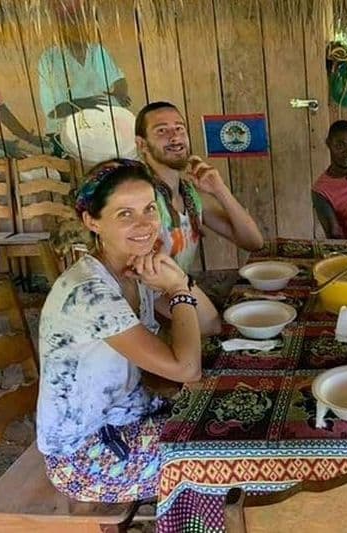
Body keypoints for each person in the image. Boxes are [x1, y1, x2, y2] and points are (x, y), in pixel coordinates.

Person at [37, 159, 221, 502]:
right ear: (92, 221)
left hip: (130, 419)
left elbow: (210, 324)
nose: (144, 224)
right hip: (86, 455)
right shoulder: (89, 293)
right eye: (125, 214)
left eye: (150, 209)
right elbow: (187, 369)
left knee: (232, 417)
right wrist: (178, 290)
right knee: (219, 456)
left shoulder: (134, 268)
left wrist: (177, 280)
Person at [134, 101, 264, 270]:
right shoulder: (138, 198)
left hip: (181, 292)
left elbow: (253, 242)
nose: (175, 137)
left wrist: (219, 189)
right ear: (141, 144)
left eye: (179, 128)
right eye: (162, 130)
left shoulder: (190, 195)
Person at [37, 1, 131, 155]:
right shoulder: (49, 59)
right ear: (63, 28)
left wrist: (120, 92)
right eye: (73, 25)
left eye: (83, 24)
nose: (80, 29)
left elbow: (118, 79)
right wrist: (83, 104)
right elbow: (52, 111)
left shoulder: (96, 52)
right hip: (64, 131)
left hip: (100, 126)